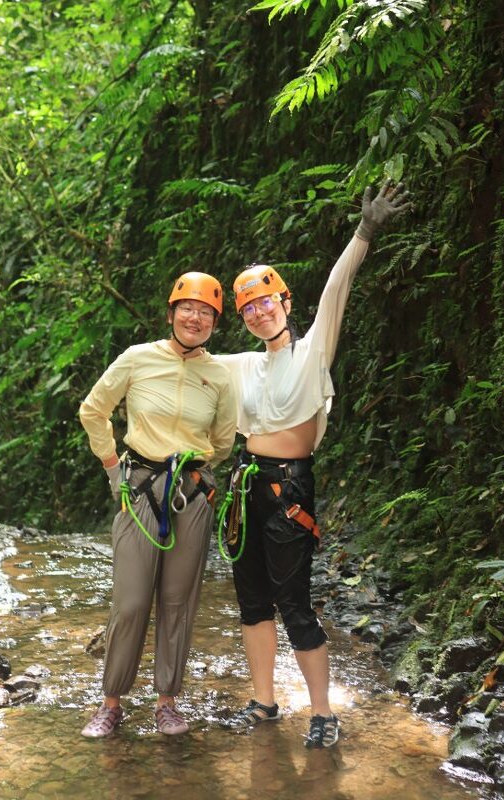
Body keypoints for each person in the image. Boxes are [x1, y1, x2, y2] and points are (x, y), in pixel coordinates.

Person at [216, 181, 411, 748]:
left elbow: (336, 290)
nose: (257, 312)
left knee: (293, 600)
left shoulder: (312, 352)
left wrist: (364, 232)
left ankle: (323, 712)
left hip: (288, 490)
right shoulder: (242, 365)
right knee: (252, 600)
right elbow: (187, 362)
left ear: (285, 302)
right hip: (245, 484)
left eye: (265, 301)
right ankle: (264, 701)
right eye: (248, 306)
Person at [78, 272, 237, 738]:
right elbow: (94, 409)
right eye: (187, 309)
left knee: (176, 603)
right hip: (139, 487)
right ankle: (111, 702)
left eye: (205, 312)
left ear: (214, 323)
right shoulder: (138, 359)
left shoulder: (219, 375)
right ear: (171, 314)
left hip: (191, 492)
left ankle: (167, 701)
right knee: (130, 603)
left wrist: (193, 466)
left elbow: (223, 441)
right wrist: (113, 470)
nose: (195, 318)